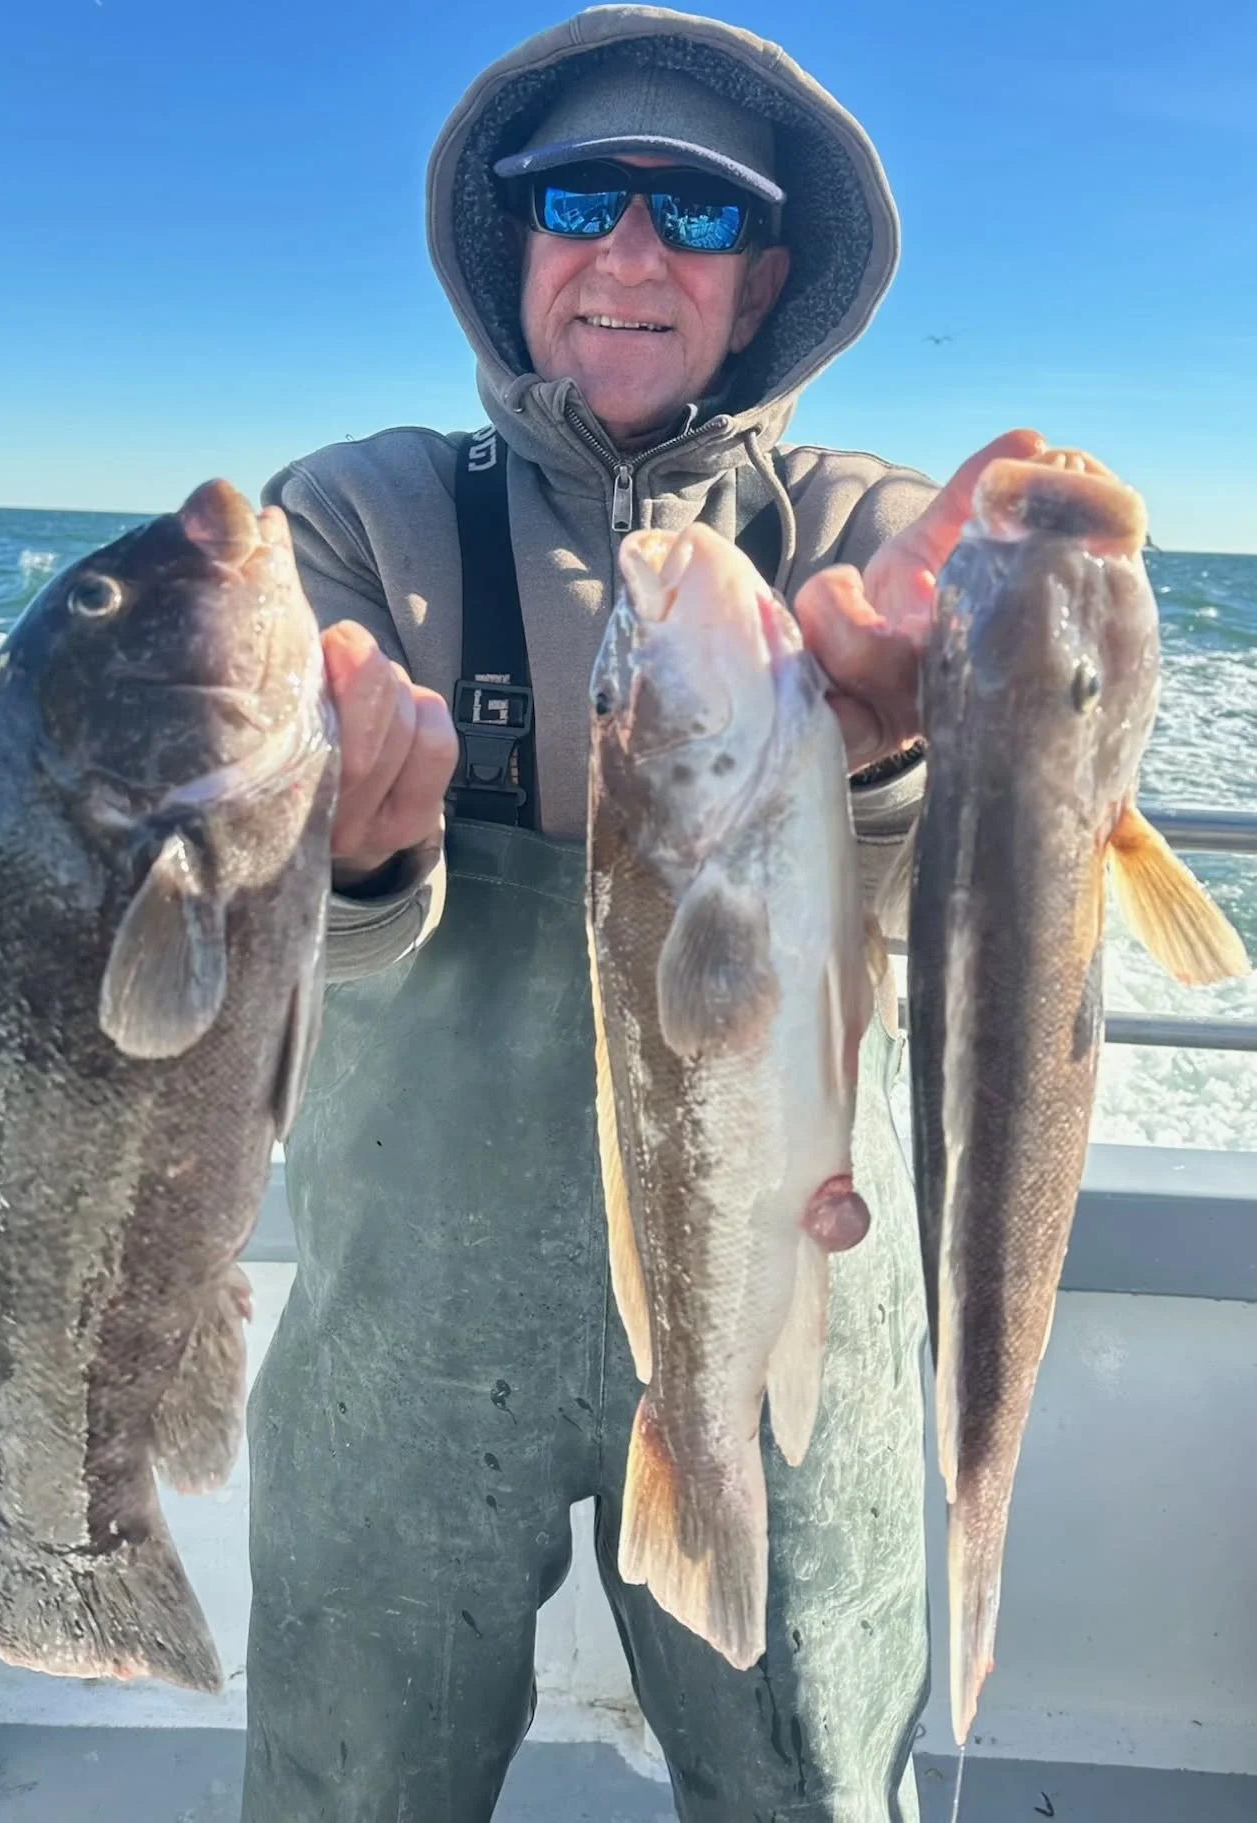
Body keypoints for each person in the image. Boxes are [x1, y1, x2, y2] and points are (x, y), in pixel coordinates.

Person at [242, 10, 1040, 1821]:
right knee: (350, 1763)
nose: (625, 251)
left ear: (759, 284)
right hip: (407, 1310)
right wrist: (353, 860)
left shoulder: (870, 530)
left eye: (691, 215)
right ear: (512, 243)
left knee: (815, 1761)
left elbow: (966, 933)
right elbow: (268, 940)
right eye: (579, 196)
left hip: (785, 1271)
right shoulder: (358, 523)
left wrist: (913, 749)